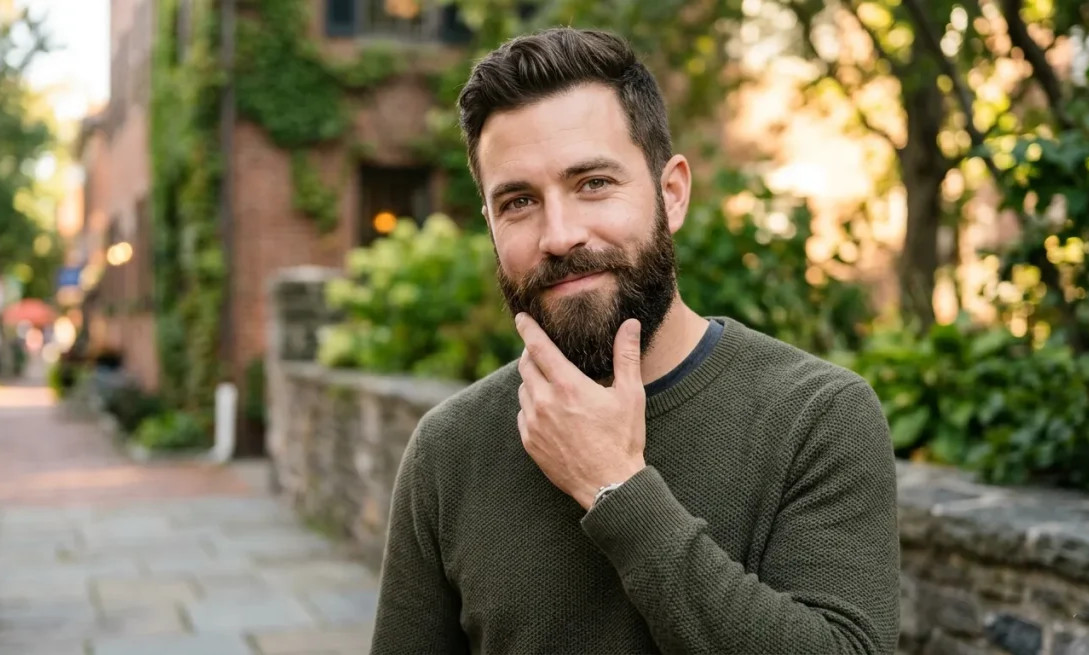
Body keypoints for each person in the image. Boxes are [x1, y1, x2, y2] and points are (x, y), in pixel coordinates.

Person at [370, 27, 900, 655]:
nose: (560, 234)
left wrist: (616, 487)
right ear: (489, 224)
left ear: (671, 194)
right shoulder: (448, 449)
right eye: (518, 201)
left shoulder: (817, 416)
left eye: (593, 183)